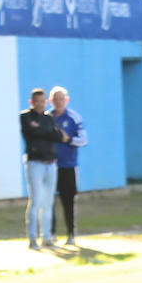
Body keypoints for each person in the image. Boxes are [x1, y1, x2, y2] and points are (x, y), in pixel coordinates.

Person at [20, 87, 69, 250]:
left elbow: (59, 136)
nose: (40, 104)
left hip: (50, 163)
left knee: (48, 202)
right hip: (35, 163)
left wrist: (42, 130)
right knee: (36, 201)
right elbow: (32, 133)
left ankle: (47, 237)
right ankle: (33, 238)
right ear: (31, 102)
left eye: (43, 101)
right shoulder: (25, 117)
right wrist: (46, 131)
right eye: (37, 102)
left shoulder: (49, 118)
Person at [49, 86, 87, 246]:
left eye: (61, 99)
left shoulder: (74, 118)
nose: (58, 102)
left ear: (67, 100)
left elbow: (83, 140)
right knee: (49, 201)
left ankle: (71, 233)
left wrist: (68, 140)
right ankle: (51, 233)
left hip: (68, 166)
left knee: (68, 200)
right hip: (50, 166)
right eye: (55, 99)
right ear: (51, 101)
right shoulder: (48, 117)